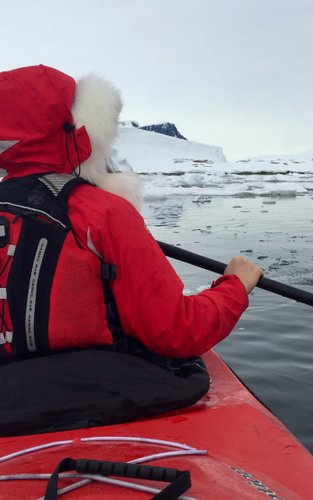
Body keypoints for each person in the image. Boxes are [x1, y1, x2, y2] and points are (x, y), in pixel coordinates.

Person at [0, 64, 264, 360]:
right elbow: (176, 332)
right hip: (82, 394)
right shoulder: (103, 213)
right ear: (83, 130)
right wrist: (236, 286)